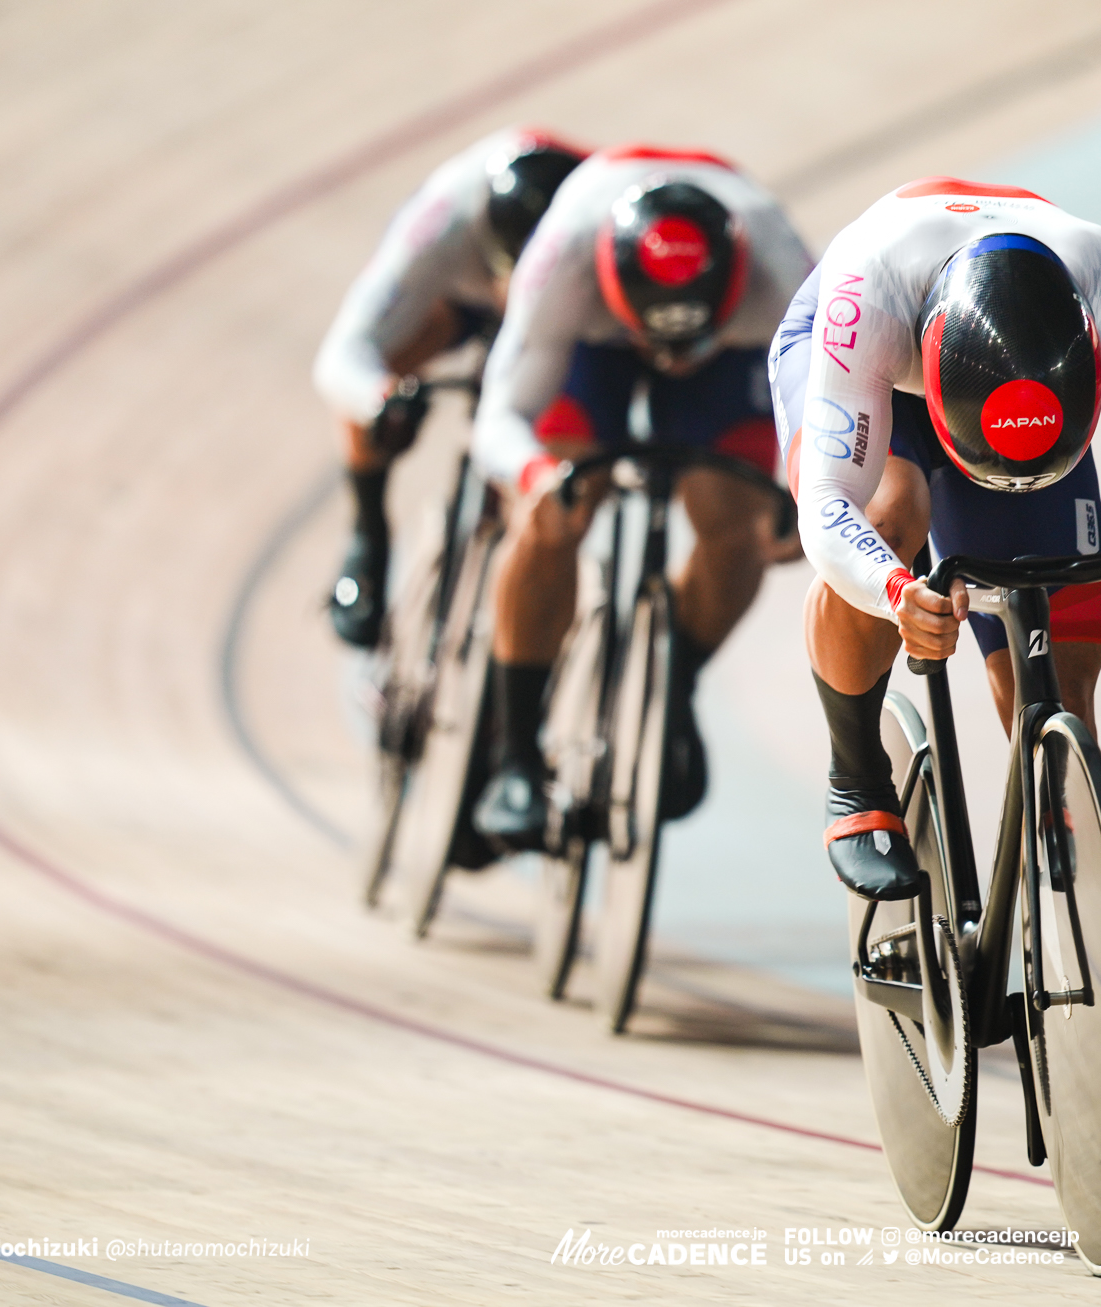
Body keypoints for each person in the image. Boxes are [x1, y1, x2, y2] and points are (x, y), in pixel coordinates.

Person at [770, 177, 1101, 900]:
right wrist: (895, 590)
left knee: (1060, 664)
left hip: (1023, 409)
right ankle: (857, 779)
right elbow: (826, 502)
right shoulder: (870, 284)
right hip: (865, 365)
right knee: (891, 513)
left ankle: (1054, 824)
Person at [469, 144, 813, 847]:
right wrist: (536, 478)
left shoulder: (785, 272)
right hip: (595, 343)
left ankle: (675, 676)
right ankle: (515, 757)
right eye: (657, 342)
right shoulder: (563, 258)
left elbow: (832, 409)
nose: (668, 360)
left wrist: (803, 495)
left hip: (732, 349)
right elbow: (498, 418)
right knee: (557, 509)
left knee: (739, 521)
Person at [313, 127, 587, 648]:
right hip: (460, 300)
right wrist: (382, 399)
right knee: (385, 357)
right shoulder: (443, 217)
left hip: (562, 309)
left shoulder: (594, 210)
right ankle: (368, 534)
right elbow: (342, 355)